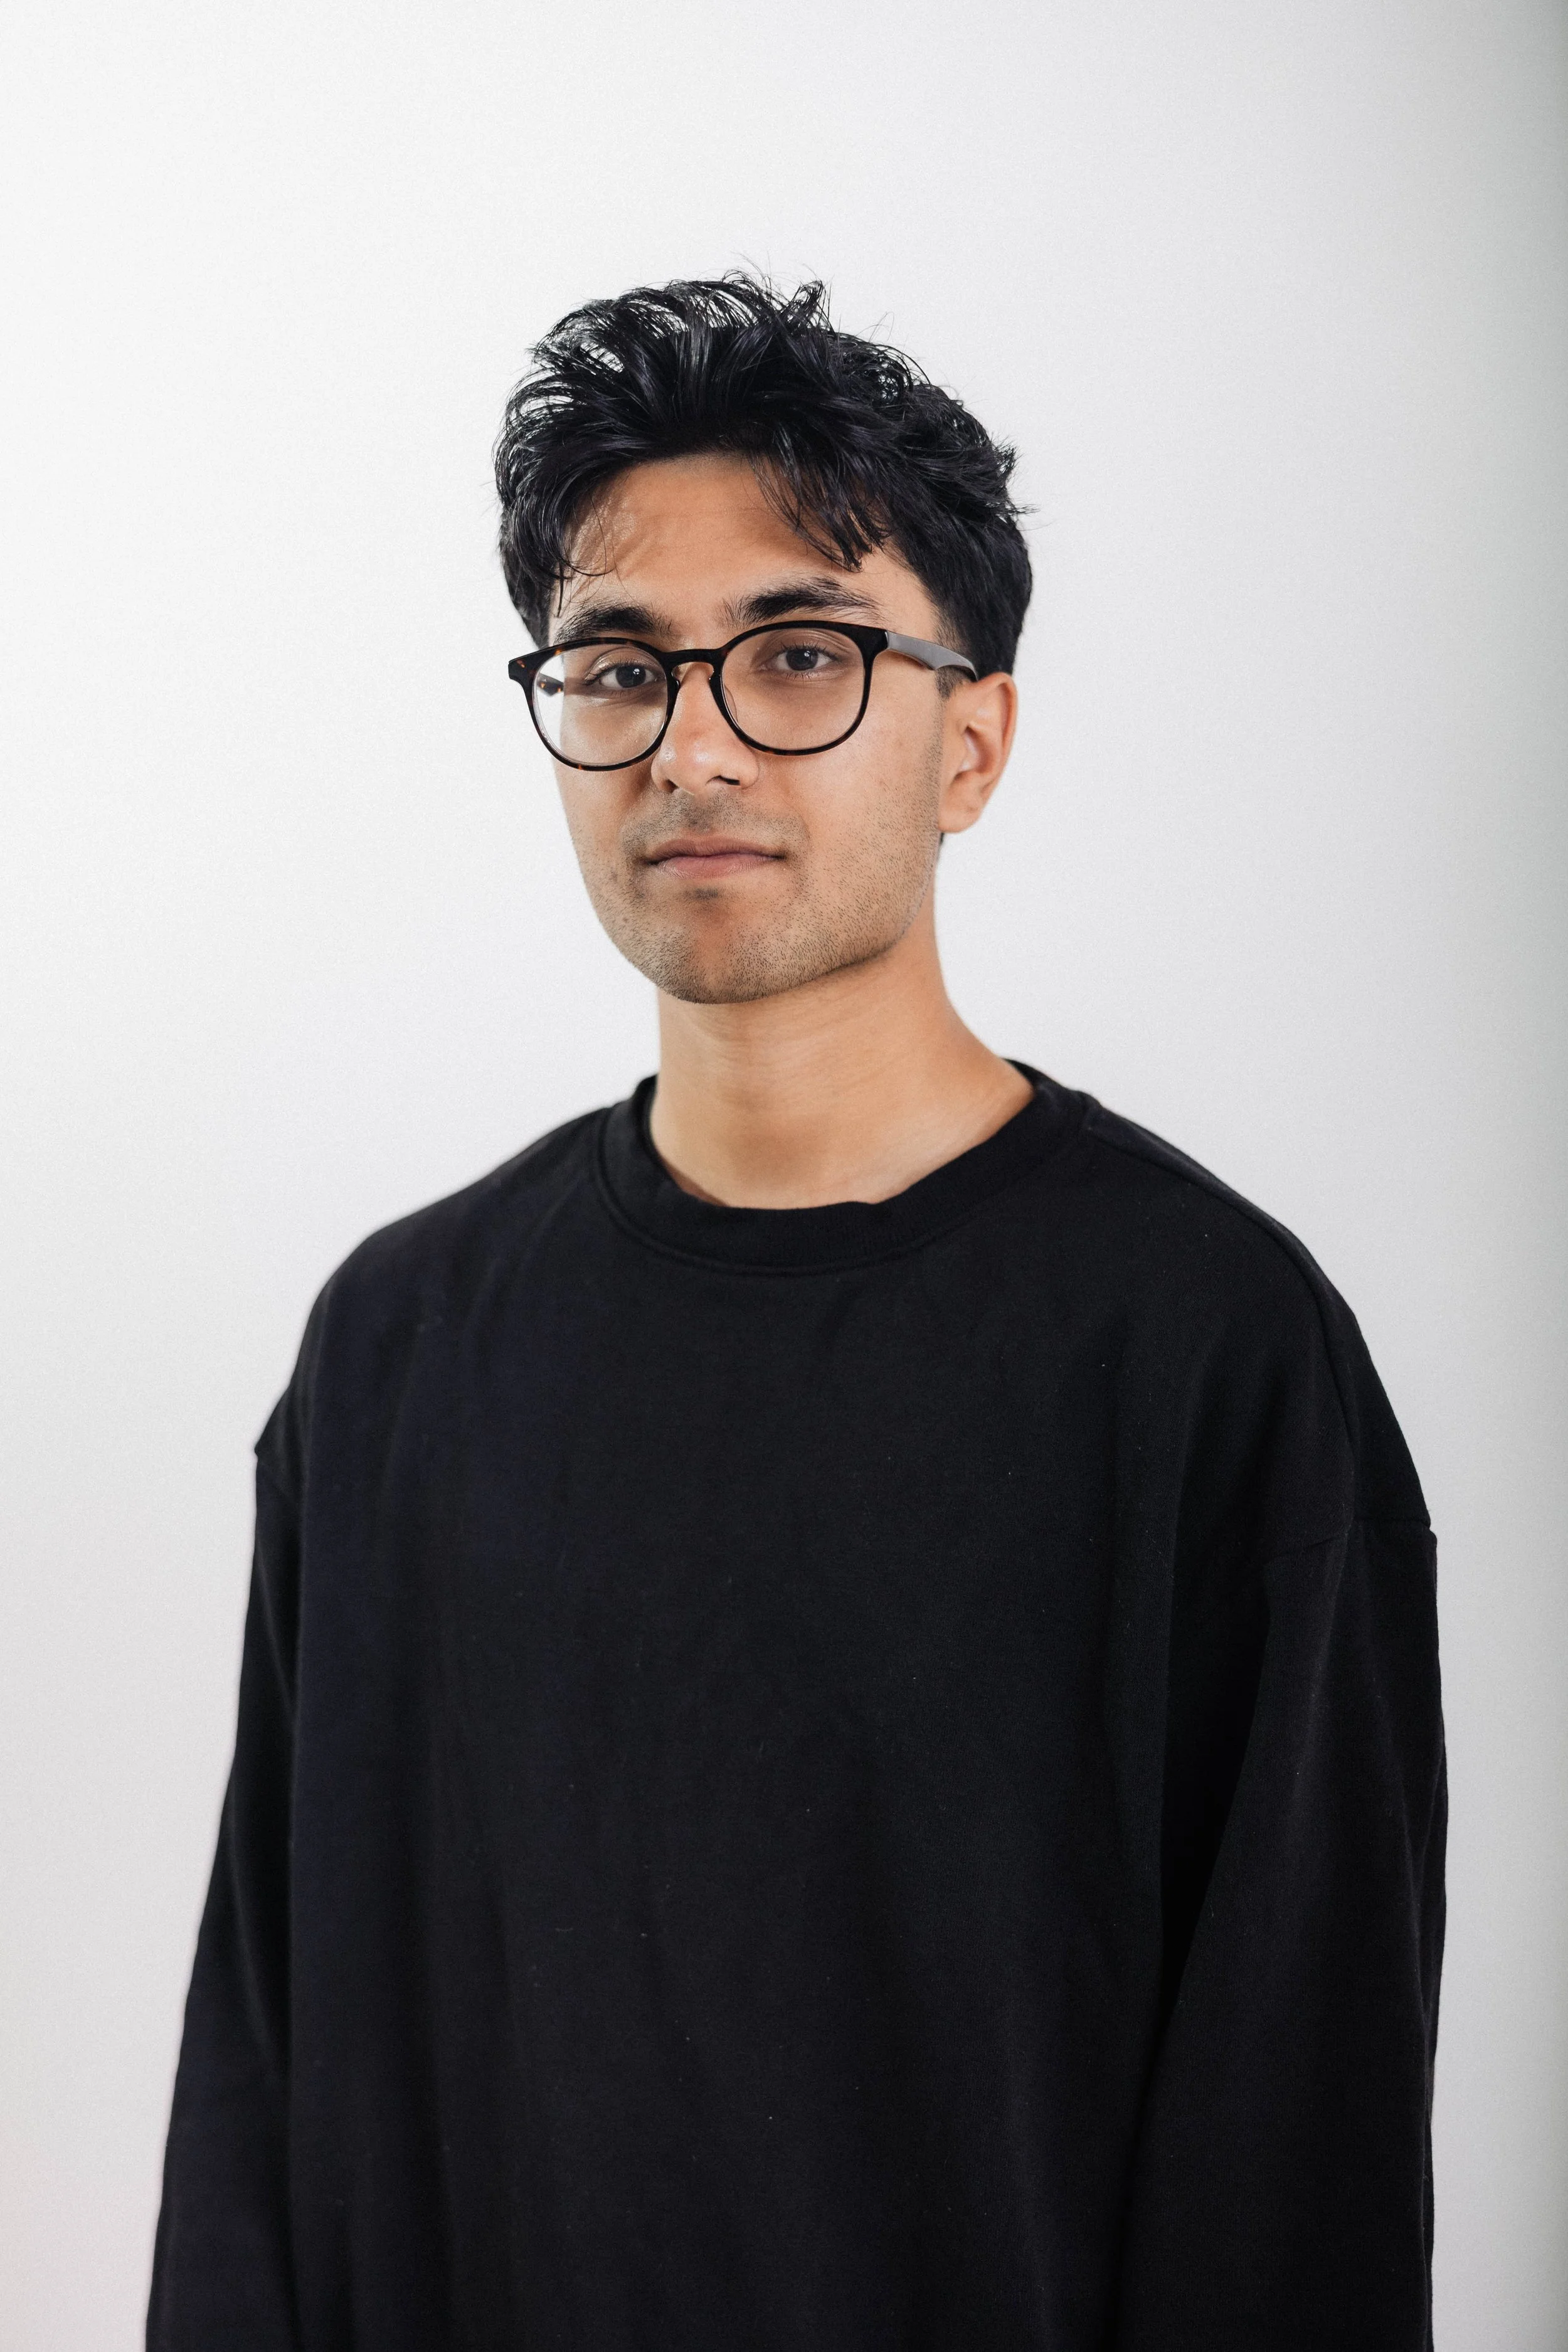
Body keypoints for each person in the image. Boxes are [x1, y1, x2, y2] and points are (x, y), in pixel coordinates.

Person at [149, 277, 1446, 2351]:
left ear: (970, 740)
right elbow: (258, 2085)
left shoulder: (1204, 1352)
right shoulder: (396, 1350)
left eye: (798, 656)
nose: (693, 743)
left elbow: (1293, 2157)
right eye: (619, 667)